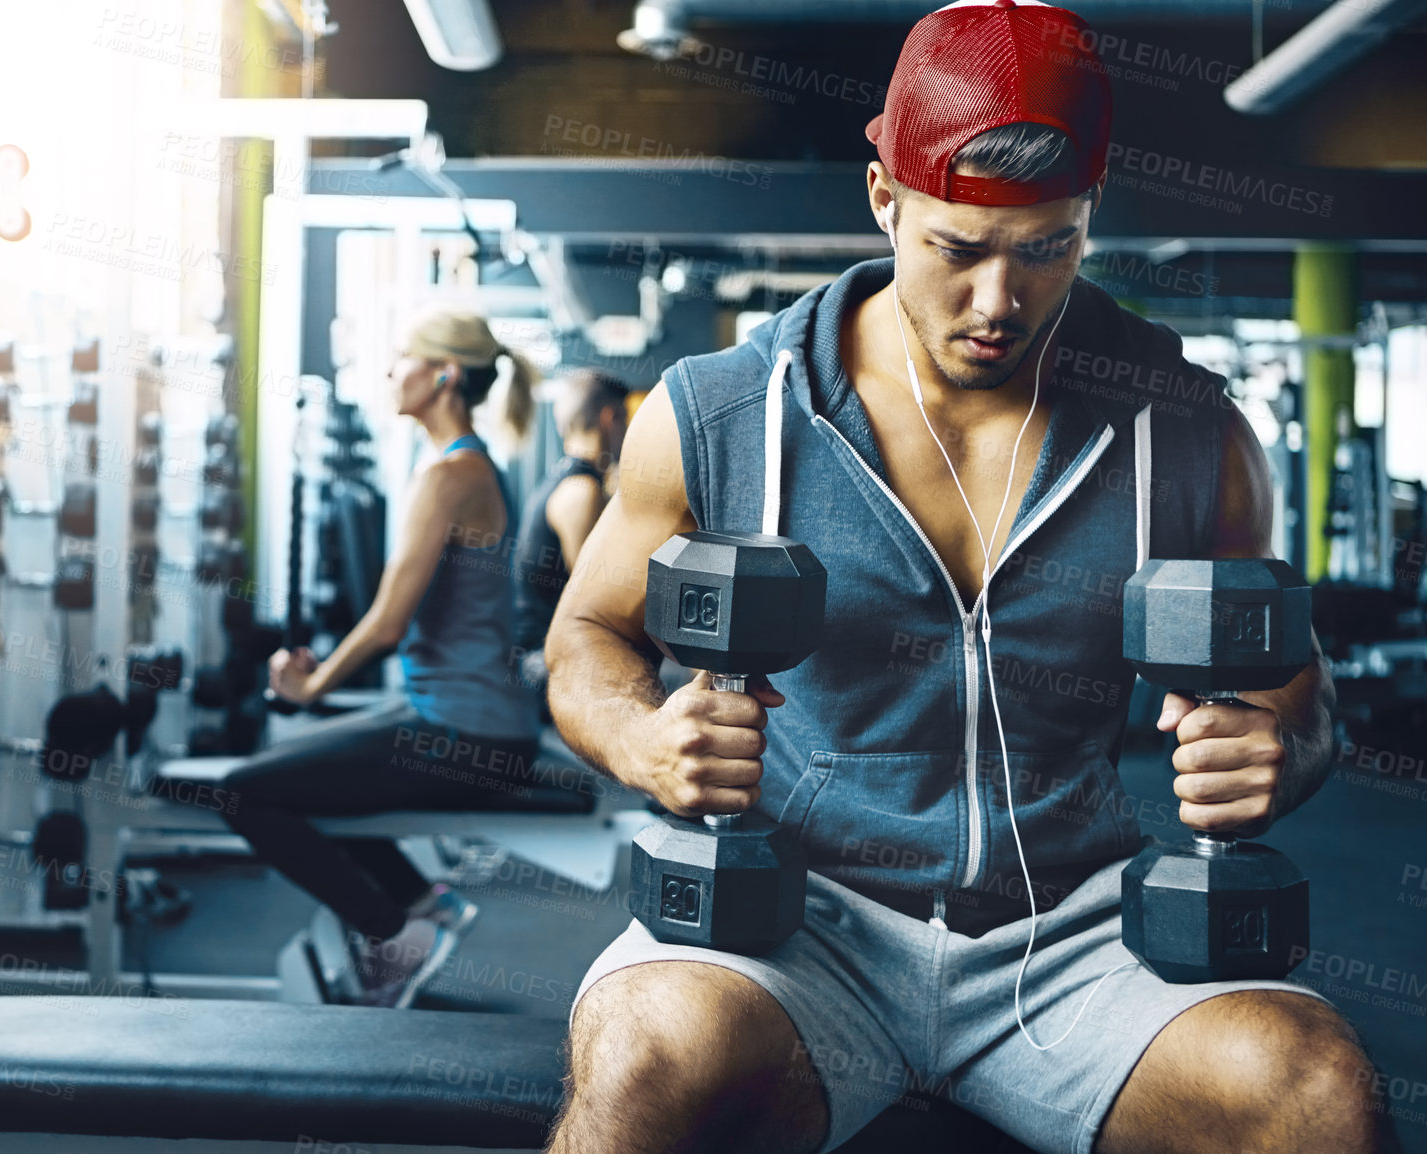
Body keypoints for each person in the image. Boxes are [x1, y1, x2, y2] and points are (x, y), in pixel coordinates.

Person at [543, 4, 1389, 1153]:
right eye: (958, 248)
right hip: (794, 922)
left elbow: (1302, 691)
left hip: (1076, 935)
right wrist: (643, 739)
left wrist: (1273, 749)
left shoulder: (1184, 432)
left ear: (1088, 219)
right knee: (646, 1062)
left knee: (1316, 1095)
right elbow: (586, 632)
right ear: (885, 201)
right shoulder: (720, 413)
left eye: (1047, 247)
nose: (1001, 302)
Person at [219, 307, 542, 1009]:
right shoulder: (469, 468)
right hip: (469, 722)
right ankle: (423, 904)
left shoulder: (450, 478)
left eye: (403, 359)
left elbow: (388, 624)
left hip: (466, 733)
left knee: (243, 790)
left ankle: (393, 931)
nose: (391, 372)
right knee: (316, 763)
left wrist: (310, 689)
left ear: (445, 375)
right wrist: (319, 686)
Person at [512, 369, 630, 699]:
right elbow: (597, 601)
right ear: (611, 418)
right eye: (627, 421)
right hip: (540, 664)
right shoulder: (581, 491)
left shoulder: (565, 479)